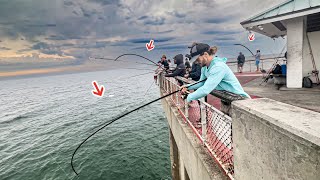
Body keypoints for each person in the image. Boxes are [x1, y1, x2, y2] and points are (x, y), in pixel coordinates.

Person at [181, 43, 250, 103]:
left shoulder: (218, 67)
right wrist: (187, 87)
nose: (196, 62)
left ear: (205, 54)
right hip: (227, 99)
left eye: (197, 59)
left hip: (240, 100)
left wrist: (189, 97)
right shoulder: (204, 67)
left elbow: (205, 90)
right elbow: (201, 83)